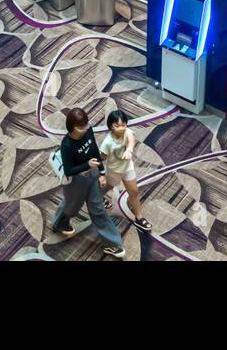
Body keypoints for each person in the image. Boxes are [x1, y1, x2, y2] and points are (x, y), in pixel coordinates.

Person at [50, 107, 125, 258]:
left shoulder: (88, 131)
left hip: (92, 175)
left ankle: (113, 244)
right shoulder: (67, 145)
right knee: (72, 207)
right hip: (75, 181)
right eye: (81, 127)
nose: (85, 129)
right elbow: (69, 170)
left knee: (98, 209)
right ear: (72, 128)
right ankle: (59, 223)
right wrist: (87, 166)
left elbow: (94, 151)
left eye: (86, 125)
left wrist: (102, 172)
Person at [100, 110, 151, 231]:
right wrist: (99, 171)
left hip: (128, 168)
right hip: (114, 171)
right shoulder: (107, 142)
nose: (121, 128)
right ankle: (98, 196)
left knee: (134, 192)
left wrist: (129, 150)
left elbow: (131, 139)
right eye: (116, 126)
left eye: (123, 125)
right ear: (110, 126)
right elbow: (102, 157)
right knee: (108, 187)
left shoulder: (127, 132)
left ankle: (139, 217)